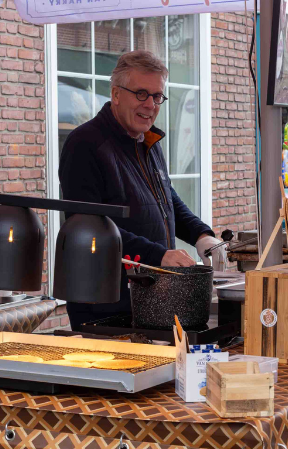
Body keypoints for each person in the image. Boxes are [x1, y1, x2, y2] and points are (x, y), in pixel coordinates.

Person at [58, 51, 224, 329]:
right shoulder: (84, 144)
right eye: (141, 94)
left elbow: (167, 199)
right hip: (105, 307)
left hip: (151, 299)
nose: (150, 104)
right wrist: (157, 256)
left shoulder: (148, 142)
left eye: (157, 96)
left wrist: (201, 235)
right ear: (116, 94)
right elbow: (88, 228)